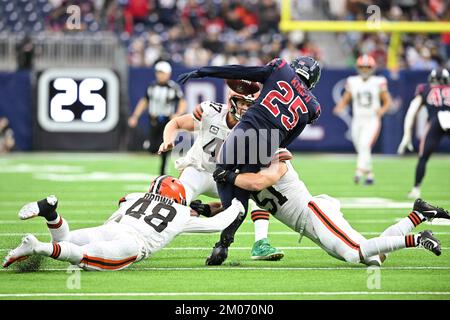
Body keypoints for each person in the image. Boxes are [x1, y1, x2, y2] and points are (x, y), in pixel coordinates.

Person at [178, 56, 322, 265]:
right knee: (242, 188)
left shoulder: (280, 68)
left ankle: (223, 242)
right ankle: (224, 242)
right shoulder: (313, 106)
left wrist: (204, 71)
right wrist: (275, 146)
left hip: (248, 127)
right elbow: (290, 135)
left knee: (222, 174)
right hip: (270, 141)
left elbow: (239, 70)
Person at [213, 148, 449, 265]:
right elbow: (232, 205)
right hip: (307, 225)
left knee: (355, 253)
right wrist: (200, 209)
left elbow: (260, 181)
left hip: (313, 211)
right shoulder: (244, 175)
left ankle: (419, 239)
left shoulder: (274, 158)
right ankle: (418, 215)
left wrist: (227, 176)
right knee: (374, 258)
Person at [3, 176, 244, 271]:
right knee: (83, 259)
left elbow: (114, 216)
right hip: (132, 244)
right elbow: (216, 223)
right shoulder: (182, 213)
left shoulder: (135, 197)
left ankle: (51, 214)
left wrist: (102, 232)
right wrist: (237, 206)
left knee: (66, 241)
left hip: (113, 228)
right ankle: (37, 246)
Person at [158, 80, 284, 260]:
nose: (246, 109)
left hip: (226, 178)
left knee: (259, 191)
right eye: (242, 103)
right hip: (199, 171)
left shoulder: (257, 127)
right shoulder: (210, 112)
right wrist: (168, 140)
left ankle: (259, 243)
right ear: (232, 101)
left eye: (250, 105)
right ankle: (150, 234)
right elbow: (176, 123)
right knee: (172, 200)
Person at [333, 54, 392, 185]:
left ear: (372, 68)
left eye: (367, 67)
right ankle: (370, 174)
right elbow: (346, 98)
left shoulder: (378, 81)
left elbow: (388, 101)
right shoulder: (353, 81)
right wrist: (340, 106)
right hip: (357, 119)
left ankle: (359, 172)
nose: (365, 70)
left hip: (372, 119)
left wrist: (381, 111)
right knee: (360, 146)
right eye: (362, 67)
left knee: (365, 145)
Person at [397, 68, 450, 199]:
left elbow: (411, 112)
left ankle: (416, 189)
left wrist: (406, 135)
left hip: (435, 121)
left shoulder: (425, 88)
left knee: (423, 157)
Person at [128, 61, 187, 175]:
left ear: (168, 74)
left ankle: (162, 171)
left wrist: (177, 114)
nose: (161, 75)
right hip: (154, 120)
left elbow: (183, 102)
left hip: (167, 121)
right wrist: (135, 116)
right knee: (152, 147)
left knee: (165, 146)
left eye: (163, 73)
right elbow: (144, 101)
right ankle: (155, 153)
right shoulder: (152, 87)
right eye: (159, 73)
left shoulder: (173, 87)